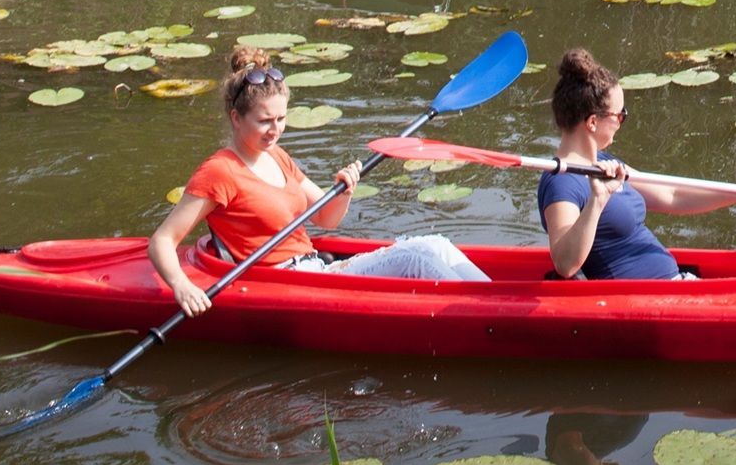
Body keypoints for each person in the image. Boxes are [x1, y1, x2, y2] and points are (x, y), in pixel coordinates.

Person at [149, 47, 485, 316]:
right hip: (286, 284)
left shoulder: (278, 156)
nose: (275, 129)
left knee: (435, 245)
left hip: (314, 269)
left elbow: (326, 219)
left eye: (281, 118)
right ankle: (486, 316)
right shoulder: (219, 171)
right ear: (236, 118)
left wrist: (345, 190)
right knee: (419, 259)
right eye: (265, 121)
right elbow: (162, 240)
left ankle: (495, 302)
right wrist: (181, 285)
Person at [539, 48, 736, 280]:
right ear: (593, 122)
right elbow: (565, 264)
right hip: (644, 303)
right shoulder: (561, 182)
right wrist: (597, 200)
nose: (623, 120)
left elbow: (672, 194)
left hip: (675, 284)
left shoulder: (604, 163)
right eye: (620, 115)